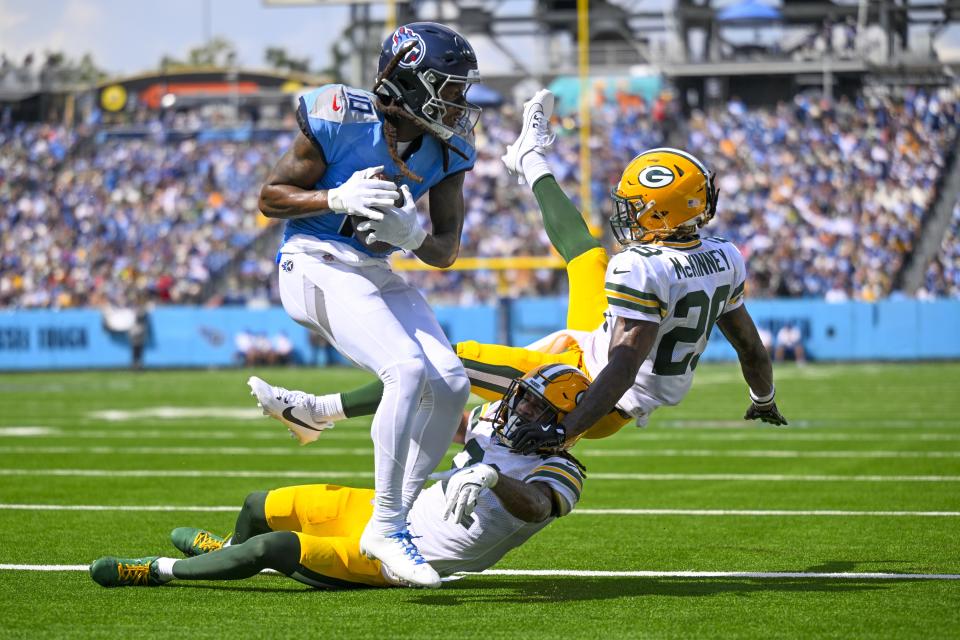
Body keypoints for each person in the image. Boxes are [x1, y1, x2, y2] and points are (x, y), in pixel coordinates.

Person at [254, 90, 787, 449]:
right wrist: (762, 397)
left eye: (638, 207)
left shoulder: (644, 271)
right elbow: (750, 347)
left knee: (447, 363)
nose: (627, 214)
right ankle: (531, 157)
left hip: (592, 391)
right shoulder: (726, 257)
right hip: (595, 351)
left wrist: (567, 431)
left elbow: (620, 370)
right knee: (589, 258)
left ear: (664, 211)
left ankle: (318, 411)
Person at [248, 22, 483, 588]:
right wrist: (334, 196)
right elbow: (269, 198)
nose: (460, 103)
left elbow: (445, 250)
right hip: (310, 259)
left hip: (374, 269)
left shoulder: (448, 148)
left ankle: (391, 522)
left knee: (450, 383)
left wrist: (410, 236)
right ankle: (388, 525)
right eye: (449, 89)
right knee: (403, 369)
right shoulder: (338, 115)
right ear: (408, 83)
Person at [89, 365, 591, 590]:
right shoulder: (492, 423)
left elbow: (539, 506)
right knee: (258, 504)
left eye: (533, 405)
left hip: (398, 560)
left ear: (559, 420)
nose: (518, 407)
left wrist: (489, 477)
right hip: (384, 512)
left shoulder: (563, 468)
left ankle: (157, 571)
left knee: (273, 549)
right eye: (520, 396)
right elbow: (440, 412)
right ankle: (223, 552)